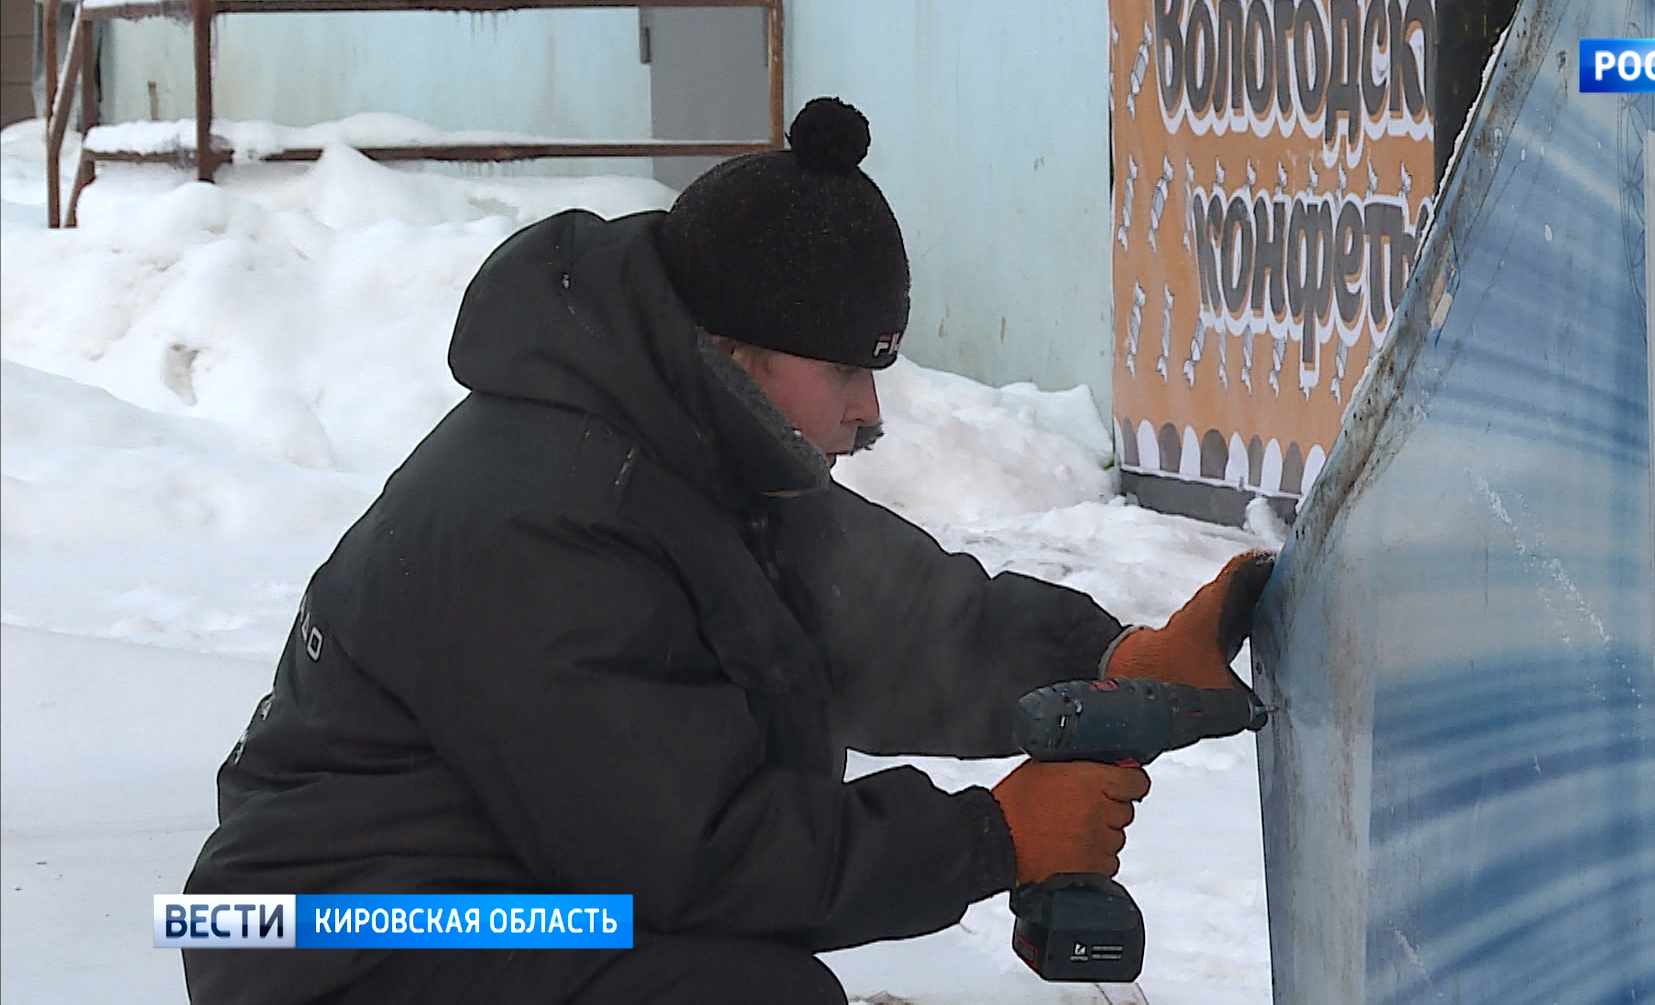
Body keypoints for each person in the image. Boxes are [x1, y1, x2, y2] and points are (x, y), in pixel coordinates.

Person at [182, 98, 1274, 1004]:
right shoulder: (551, 520)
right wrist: (993, 839)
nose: (867, 408)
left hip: (475, 894)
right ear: (736, 349)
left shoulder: (682, 444)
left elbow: (889, 621)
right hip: (331, 935)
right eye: (844, 369)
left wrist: (1110, 666)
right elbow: (693, 854)